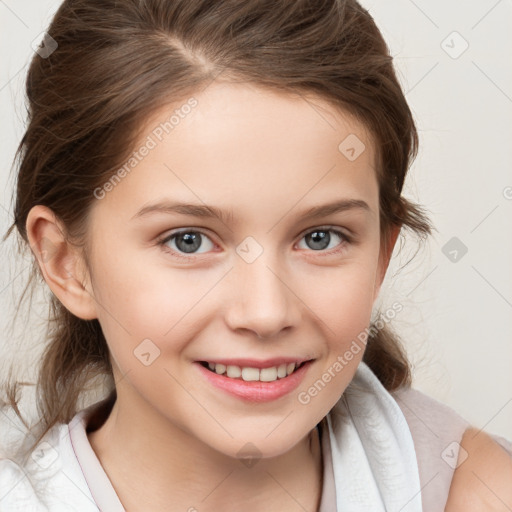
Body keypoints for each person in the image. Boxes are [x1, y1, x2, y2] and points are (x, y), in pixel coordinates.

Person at [1, 0, 511, 511]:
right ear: (67, 263)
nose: (266, 312)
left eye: (320, 238)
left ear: (381, 255)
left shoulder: (476, 493)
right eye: (188, 240)